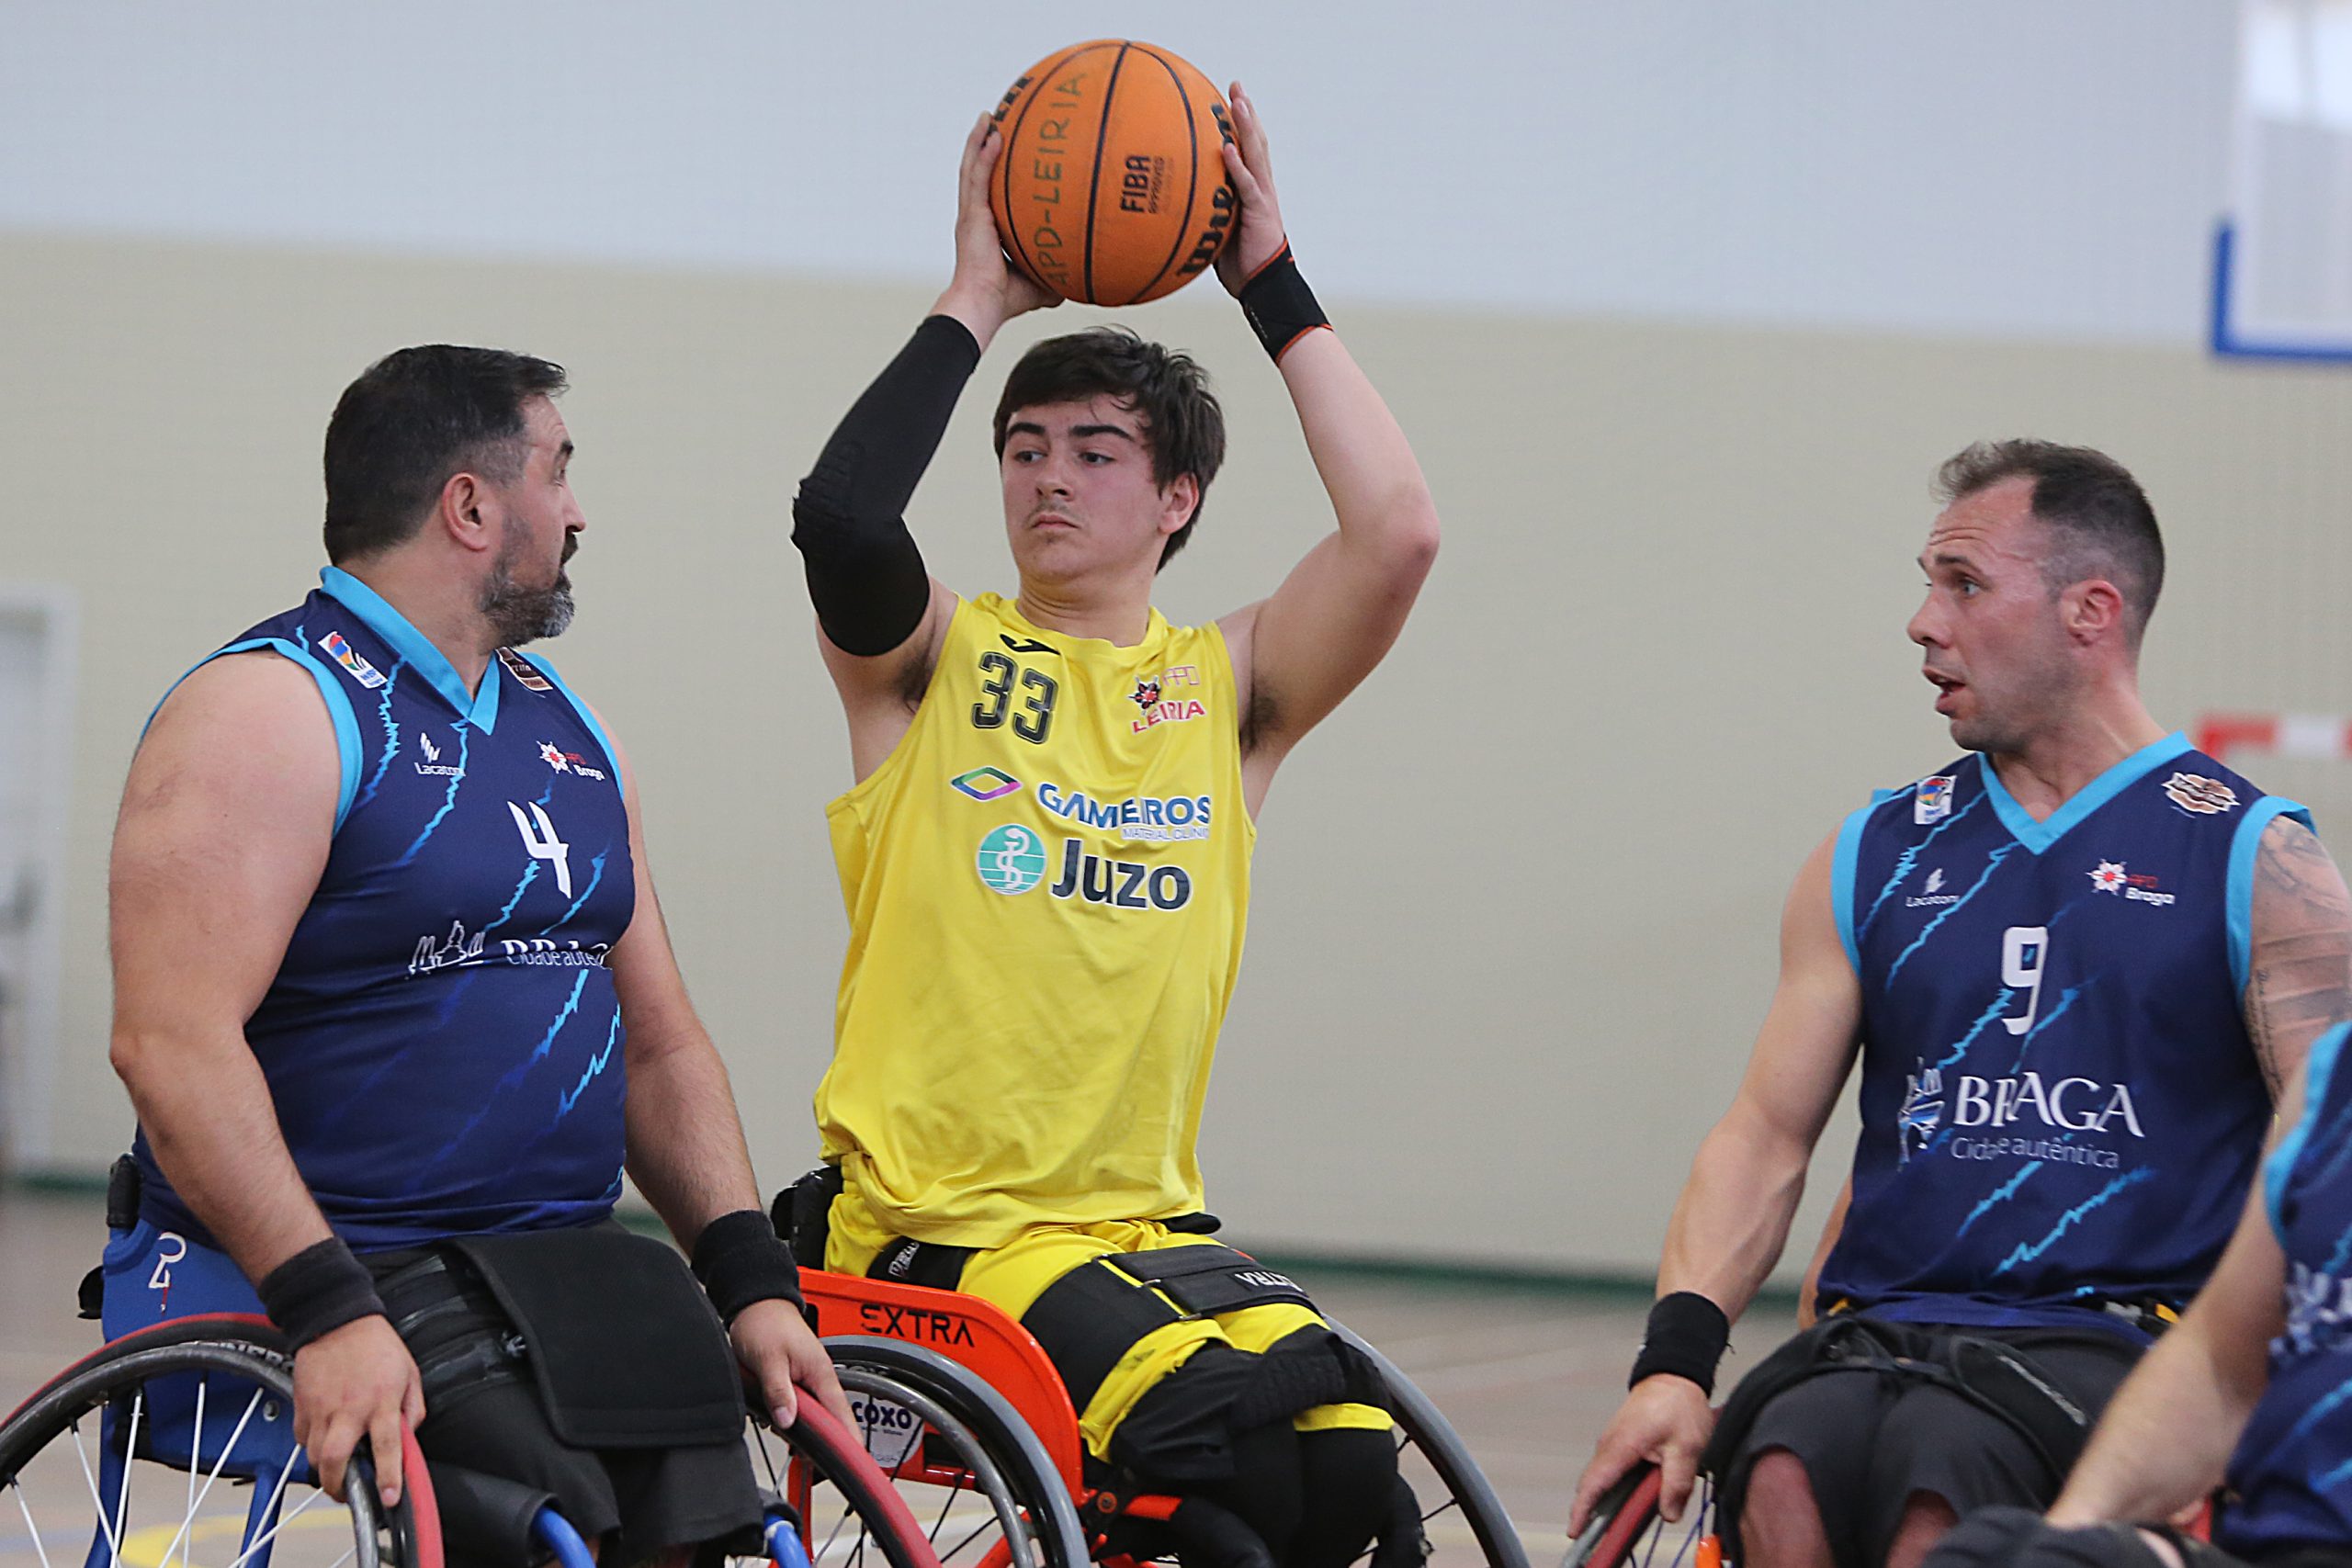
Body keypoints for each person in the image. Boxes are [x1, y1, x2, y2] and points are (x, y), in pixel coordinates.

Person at [786, 91, 1440, 1568]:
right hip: (941, 1233)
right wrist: (977, 295)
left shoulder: (1230, 687)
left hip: (1142, 1224)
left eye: (1093, 451)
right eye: (1025, 448)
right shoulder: (931, 661)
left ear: (1176, 497)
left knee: (1348, 1466)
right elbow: (843, 518)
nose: (1048, 477)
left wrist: (1271, 282)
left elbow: (1399, 531)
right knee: (1220, 1476)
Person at [104, 344, 848, 1567]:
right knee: (557, 1513)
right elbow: (169, 1043)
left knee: (714, 1518)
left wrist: (751, 1275)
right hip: (351, 1262)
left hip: (566, 1271)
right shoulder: (267, 710)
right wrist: (324, 1305)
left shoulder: (572, 729)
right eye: (557, 471)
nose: (578, 510)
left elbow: (658, 1042)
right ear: (469, 505)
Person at [1566, 441, 2352, 1568]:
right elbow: (1764, 1136)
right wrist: (1672, 1369)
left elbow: (2319, 1174)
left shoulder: (2253, 860)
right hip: (1880, 1335)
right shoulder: (1874, 851)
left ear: (2089, 612)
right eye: (1929, 584)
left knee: (1938, 1487)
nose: (1922, 622)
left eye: (1965, 584)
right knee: (1782, 1465)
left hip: (2105, 1343)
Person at [1917, 1017, 2352, 1568]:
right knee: (1990, 1552)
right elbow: (2220, 1365)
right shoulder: (2334, 1076)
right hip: (2277, 1541)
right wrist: (2062, 1537)